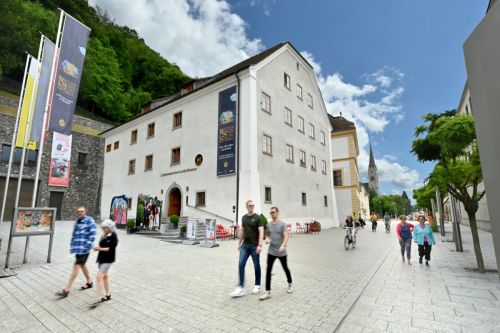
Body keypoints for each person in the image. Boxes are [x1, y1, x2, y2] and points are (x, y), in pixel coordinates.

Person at [56, 206, 96, 298]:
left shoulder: (90, 220)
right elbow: (74, 234)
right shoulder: (77, 222)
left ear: (85, 211)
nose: (80, 213)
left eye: (81, 211)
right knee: (82, 265)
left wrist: (87, 245)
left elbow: (93, 234)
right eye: (78, 212)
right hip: (77, 248)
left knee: (76, 266)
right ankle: (90, 282)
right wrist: (72, 244)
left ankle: (66, 290)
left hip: (84, 249)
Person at [230, 200, 264, 297]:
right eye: (250, 205)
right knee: (241, 264)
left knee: (256, 265)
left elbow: (261, 231)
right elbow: (242, 231)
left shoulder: (257, 217)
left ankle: (257, 285)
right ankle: (241, 287)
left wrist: (260, 245)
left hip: (254, 246)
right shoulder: (244, 218)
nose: (251, 207)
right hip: (245, 246)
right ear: (247, 206)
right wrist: (239, 243)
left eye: (253, 205)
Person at [259, 207, 293, 300]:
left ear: (277, 213)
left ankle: (290, 283)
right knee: (268, 270)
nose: (272, 214)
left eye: (273, 212)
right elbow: (267, 234)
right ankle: (267, 292)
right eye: (271, 213)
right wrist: (266, 239)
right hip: (271, 251)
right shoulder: (269, 225)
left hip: (281, 251)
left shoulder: (282, 224)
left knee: (285, 268)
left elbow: (286, 235)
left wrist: (283, 245)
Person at [90, 219, 118, 308]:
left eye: (105, 228)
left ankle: (97, 299)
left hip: (108, 260)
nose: (103, 229)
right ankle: (108, 294)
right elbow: (101, 246)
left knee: (99, 277)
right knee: (105, 276)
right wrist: (97, 248)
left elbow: (110, 248)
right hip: (102, 259)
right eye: (103, 228)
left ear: (109, 228)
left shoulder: (113, 236)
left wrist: (99, 249)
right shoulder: (103, 236)